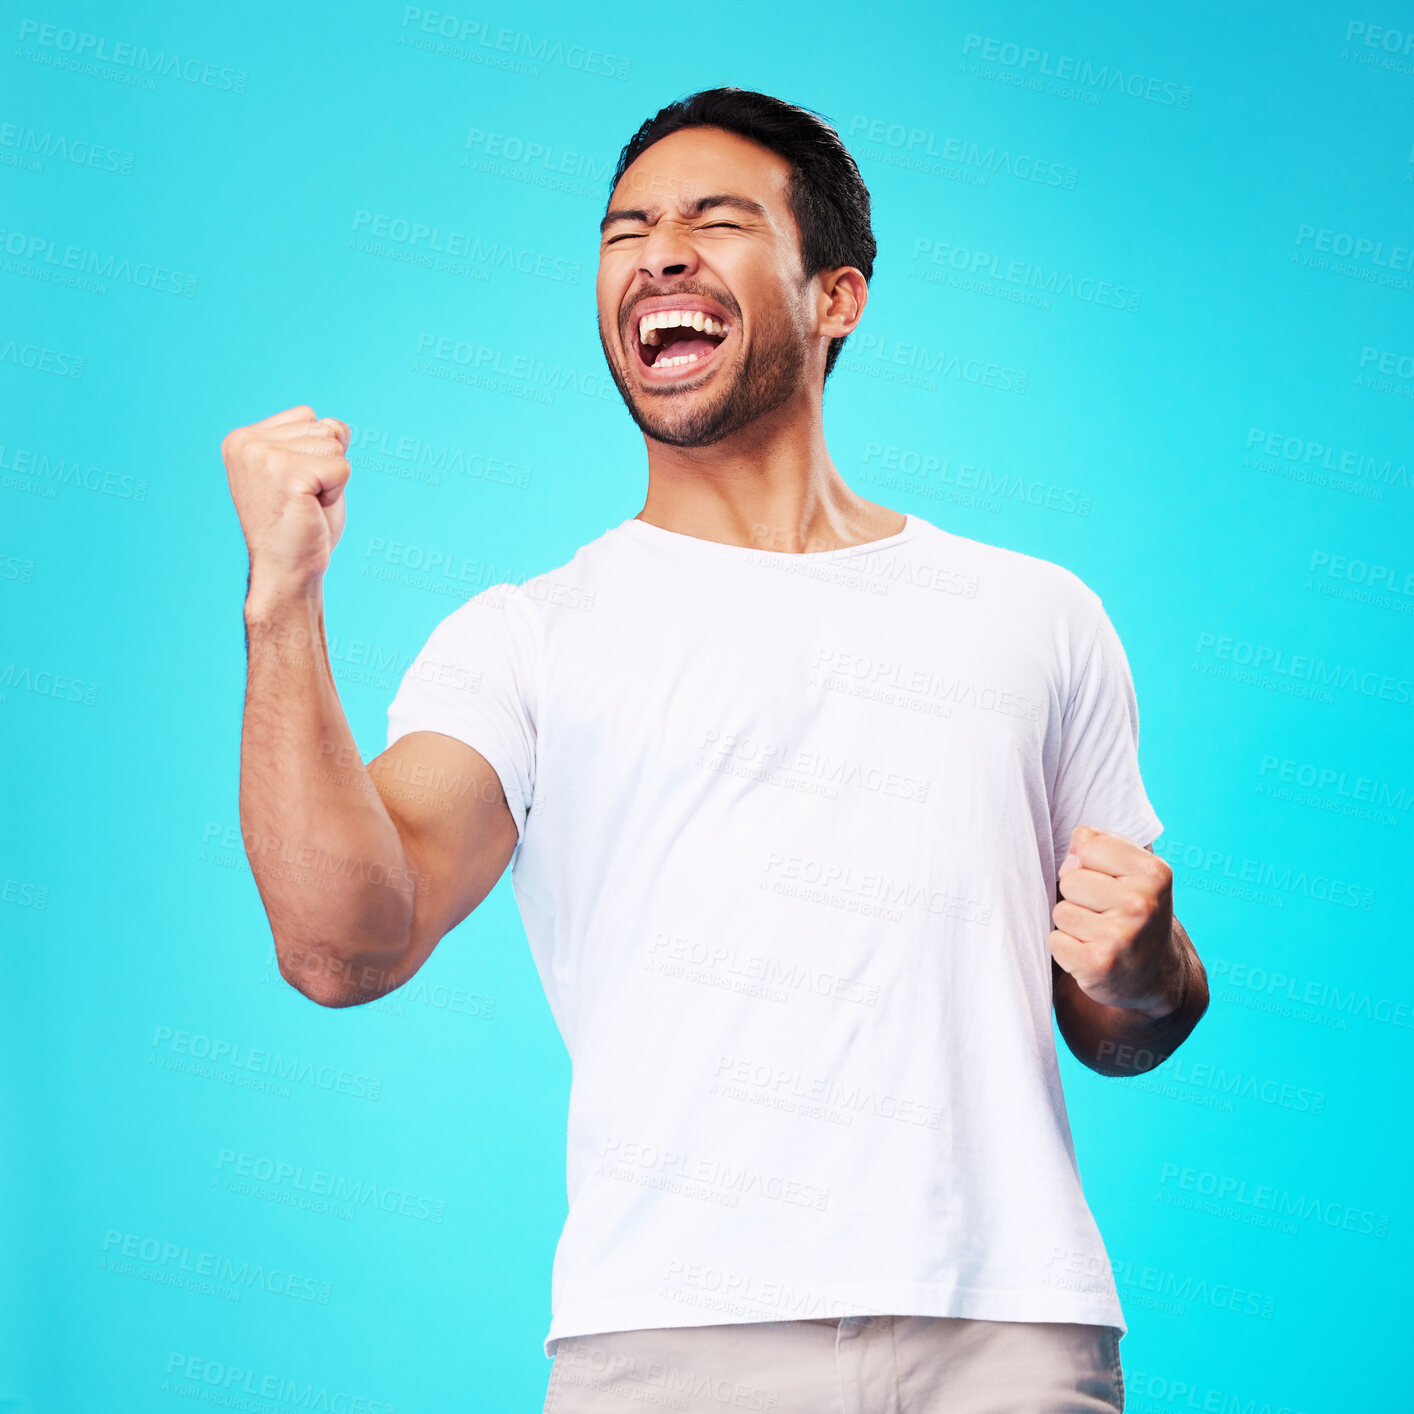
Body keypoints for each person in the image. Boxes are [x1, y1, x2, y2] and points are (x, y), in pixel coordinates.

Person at [222, 87, 1208, 1414]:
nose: (656, 253)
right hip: (670, 1345)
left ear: (835, 296)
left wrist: (1147, 969)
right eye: (625, 228)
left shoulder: (1036, 615)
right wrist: (283, 605)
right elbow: (343, 946)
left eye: (715, 219)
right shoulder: (524, 639)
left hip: (1009, 1334)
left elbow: (1122, 1025)